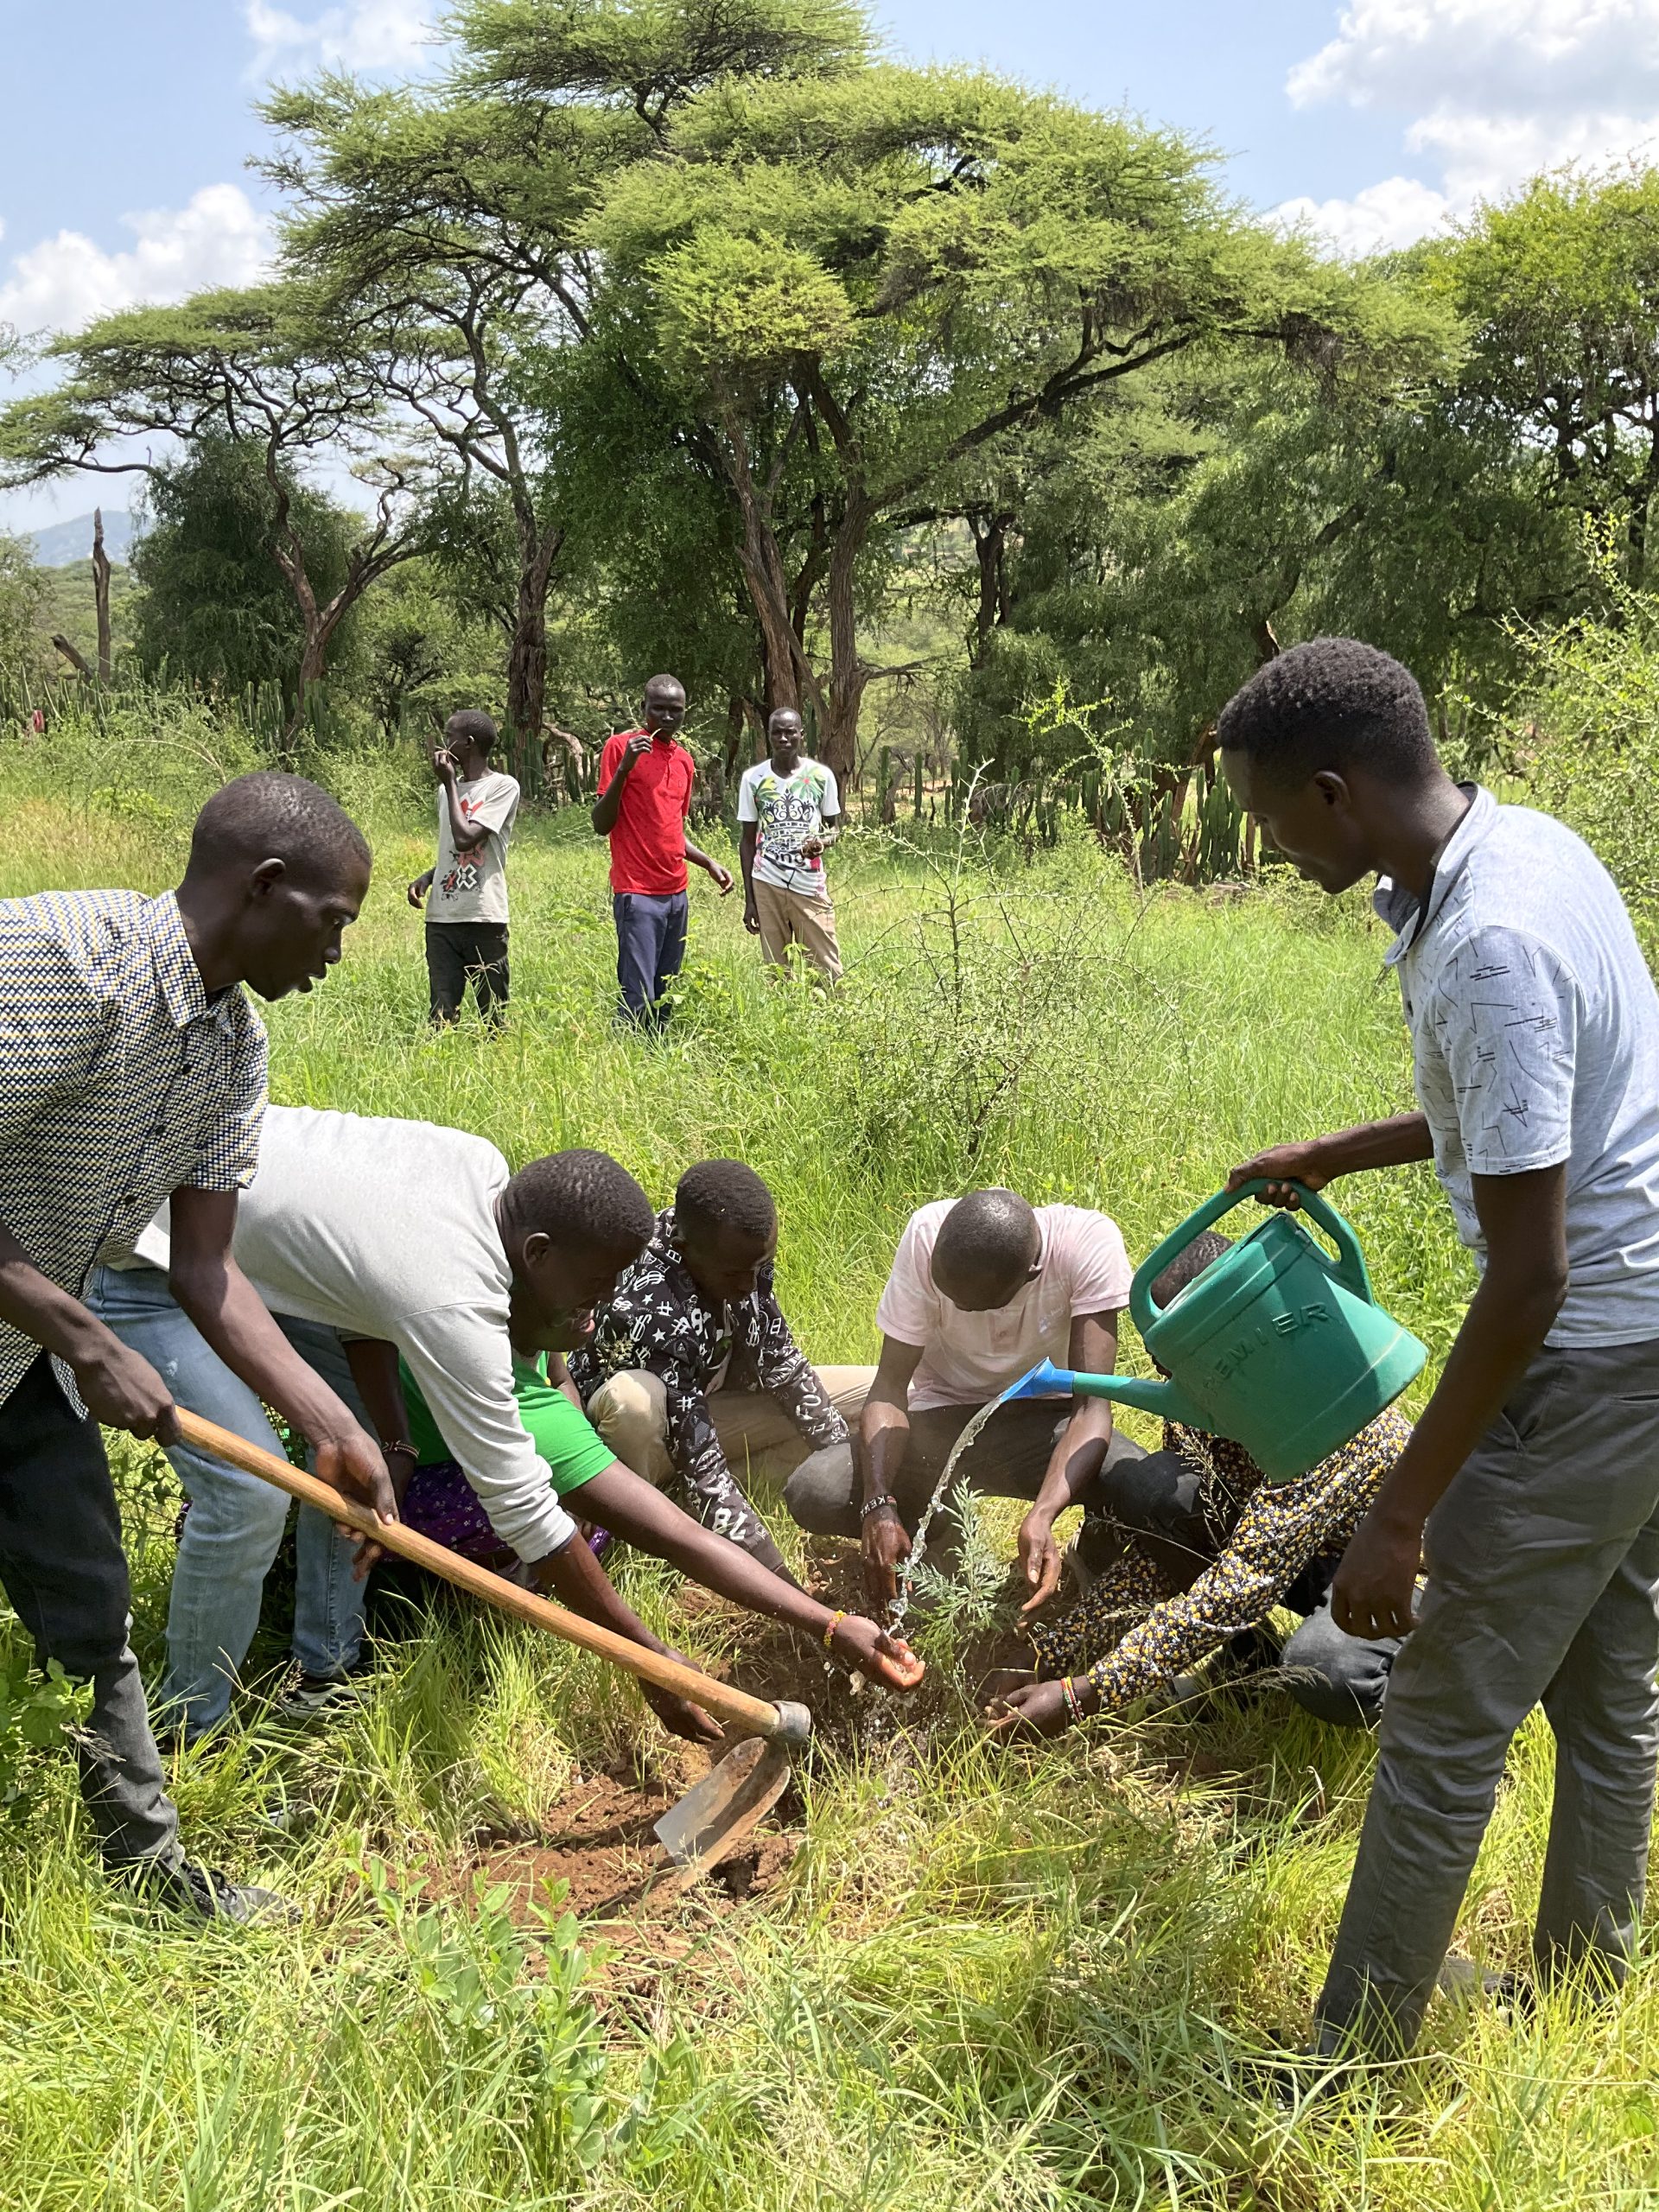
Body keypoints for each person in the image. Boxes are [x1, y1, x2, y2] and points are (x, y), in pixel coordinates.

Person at [1217, 635, 1659, 2062]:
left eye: (1274, 818)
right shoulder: (1514, 849)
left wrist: (1401, 1519)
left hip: (1589, 1364)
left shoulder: (1489, 945)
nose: (1274, 849)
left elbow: (1531, 1277)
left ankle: (1342, 2066)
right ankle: (1593, 1989)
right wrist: (1343, 1152)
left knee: (1441, 1733)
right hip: (1647, 1340)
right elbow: (1537, 1105)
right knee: (1609, 1688)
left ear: (1337, 793)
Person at [0, 773, 391, 1920]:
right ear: (266, 888)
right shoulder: (66, 957)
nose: (337, 950)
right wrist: (80, 1331)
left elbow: (206, 1276)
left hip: (16, 1362)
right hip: (41, 1333)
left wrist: (334, 1428)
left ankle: (149, 1879)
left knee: (89, 1613)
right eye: (335, 918)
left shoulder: (233, 1048)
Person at [96, 1109, 727, 1745]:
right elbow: (526, 1510)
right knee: (248, 1492)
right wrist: (647, 1660)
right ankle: (190, 1728)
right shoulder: (455, 1297)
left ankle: (325, 1670)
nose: (602, 1303)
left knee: (354, 1448)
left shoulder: (484, 1175)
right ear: (538, 1255)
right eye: (595, 1285)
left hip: (242, 1257)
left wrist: (383, 1438)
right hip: (141, 1257)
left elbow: (352, 1292)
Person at [985, 1230, 1412, 1738]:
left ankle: (1447, 1696)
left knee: (1331, 1671)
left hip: (1401, 1576)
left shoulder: (1322, 1411)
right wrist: (1050, 1656)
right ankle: (1249, 1660)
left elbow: (1239, 1585)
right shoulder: (1207, 1399)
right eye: (1162, 1354)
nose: (1168, 1373)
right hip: (1300, 1559)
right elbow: (1171, 1553)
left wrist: (1083, 1697)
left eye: (1183, 1353)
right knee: (1160, 1490)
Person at [342, 1336, 921, 1694]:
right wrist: (824, 1621)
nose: (598, 1321)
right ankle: (439, 1602)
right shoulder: (509, 1406)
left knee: (587, 1522)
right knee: (558, 1536)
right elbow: (681, 1538)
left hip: (495, 1447)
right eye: (587, 1302)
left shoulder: (532, 1323)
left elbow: (563, 1376)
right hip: (424, 1483)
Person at [785, 1189, 1146, 1605]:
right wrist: (878, 1503)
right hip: (942, 1419)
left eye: (971, 1306)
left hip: (1047, 1425)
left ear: (1030, 1275)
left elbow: (1091, 1408)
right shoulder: (926, 1234)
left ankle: (1093, 1554)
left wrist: (1044, 1512)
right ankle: (941, 1534)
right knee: (816, 1490)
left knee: (1145, 1489)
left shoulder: (1086, 1244)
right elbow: (888, 1388)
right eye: (947, 1295)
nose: (955, 1306)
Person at [569, 1160, 862, 1580]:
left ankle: (714, 1497)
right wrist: (781, 1582)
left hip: (713, 1401)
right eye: (736, 1275)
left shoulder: (740, 1254)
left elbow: (782, 1362)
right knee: (632, 1401)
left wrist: (860, 1488)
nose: (749, 1285)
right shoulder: (650, 1302)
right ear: (687, 1248)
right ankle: (648, 1513)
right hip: (651, 1434)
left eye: (761, 1269)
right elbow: (700, 1455)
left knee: (869, 1400)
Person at [591, 674, 734, 1027]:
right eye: (659, 709)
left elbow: (671, 831)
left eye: (676, 710)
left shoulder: (683, 760)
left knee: (666, 992)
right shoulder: (620, 748)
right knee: (638, 995)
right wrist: (624, 769)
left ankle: (658, 1057)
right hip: (637, 892)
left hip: (676, 894)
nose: (668, 717)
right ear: (644, 709)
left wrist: (708, 862)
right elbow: (600, 823)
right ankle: (629, 1064)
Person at [406, 709, 520, 1026]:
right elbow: (452, 851)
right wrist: (431, 875)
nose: (443, 745)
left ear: (468, 744)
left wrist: (451, 785)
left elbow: (466, 839)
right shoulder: (445, 792)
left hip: (483, 915)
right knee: (442, 1015)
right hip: (443, 917)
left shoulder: (503, 787)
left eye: (449, 737)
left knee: (493, 1016)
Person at [737, 708, 843, 984]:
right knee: (776, 971)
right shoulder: (753, 779)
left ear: (801, 735)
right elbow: (748, 842)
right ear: (769, 736)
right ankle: (784, 1022)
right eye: (777, 733)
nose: (784, 738)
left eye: (790, 732)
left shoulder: (821, 776)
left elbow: (834, 829)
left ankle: (831, 1022)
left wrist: (821, 842)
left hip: (809, 884)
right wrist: (750, 900)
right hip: (767, 882)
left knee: (826, 967)